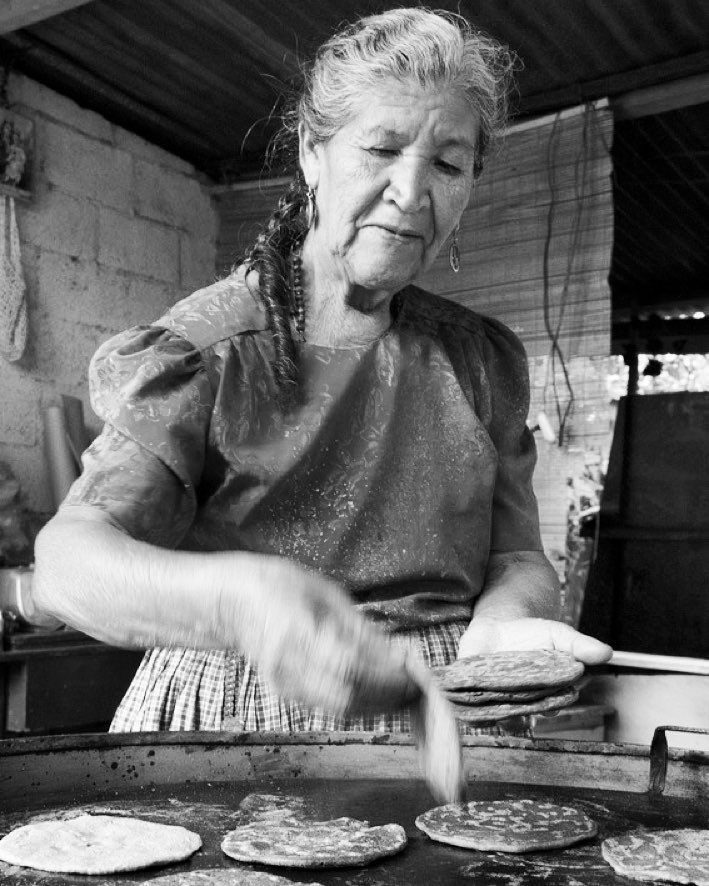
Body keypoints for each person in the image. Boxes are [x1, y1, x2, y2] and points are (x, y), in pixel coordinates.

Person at [33, 7, 611, 735]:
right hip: (234, 709)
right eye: (380, 148)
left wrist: (504, 624)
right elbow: (67, 562)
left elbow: (519, 555)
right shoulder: (207, 351)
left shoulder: (479, 358)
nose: (410, 190)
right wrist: (239, 602)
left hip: (439, 701)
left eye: (447, 162)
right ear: (312, 152)